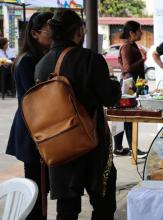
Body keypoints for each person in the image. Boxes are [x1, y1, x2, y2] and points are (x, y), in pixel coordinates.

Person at [34, 10, 121, 219]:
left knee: (67, 208)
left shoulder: (41, 65)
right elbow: (109, 98)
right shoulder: (89, 59)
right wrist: (115, 84)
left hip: (58, 145)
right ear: (80, 32)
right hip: (91, 145)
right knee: (103, 204)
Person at [5, 12, 53, 220]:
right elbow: (32, 99)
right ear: (34, 33)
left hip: (41, 128)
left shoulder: (42, 56)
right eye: (50, 29)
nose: (54, 34)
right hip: (32, 130)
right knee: (35, 188)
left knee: (44, 187)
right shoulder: (27, 61)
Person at [113, 20, 148, 158]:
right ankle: (133, 149)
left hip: (131, 83)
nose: (141, 33)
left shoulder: (132, 45)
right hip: (128, 84)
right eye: (139, 30)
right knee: (127, 116)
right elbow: (127, 68)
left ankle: (119, 148)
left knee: (122, 117)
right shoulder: (127, 47)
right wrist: (143, 59)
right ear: (132, 33)